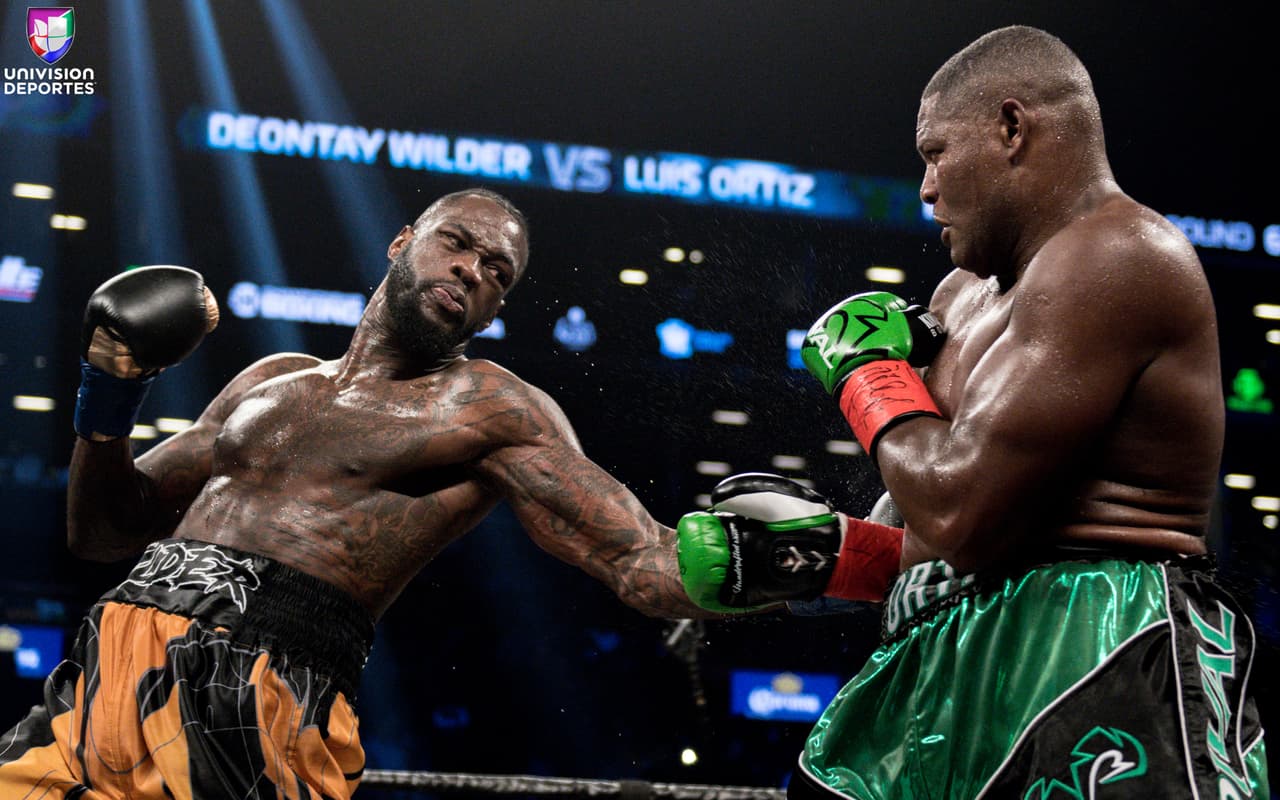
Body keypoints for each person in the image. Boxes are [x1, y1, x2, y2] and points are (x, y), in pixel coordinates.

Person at [675, 25, 1268, 799]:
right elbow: (927, 524)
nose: (923, 188)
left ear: (1012, 129)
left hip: (1095, 636)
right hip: (938, 648)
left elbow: (961, 509)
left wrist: (865, 371)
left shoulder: (1119, 252)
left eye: (934, 153)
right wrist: (833, 554)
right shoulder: (959, 298)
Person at [0, 188, 705, 799]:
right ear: (403, 242)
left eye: (497, 273)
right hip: (97, 675)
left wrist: (802, 561)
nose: (471, 269)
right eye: (456, 243)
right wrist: (112, 390)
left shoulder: (490, 407)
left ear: (493, 311)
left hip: (250, 696)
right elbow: (102, 533)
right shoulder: (271, 380)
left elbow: (643, 561)